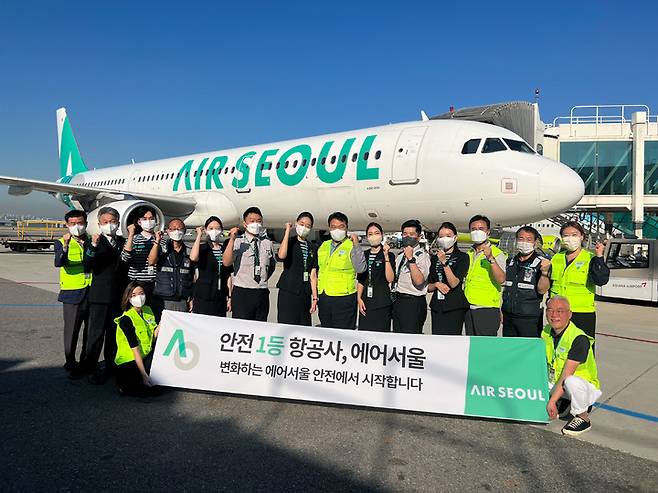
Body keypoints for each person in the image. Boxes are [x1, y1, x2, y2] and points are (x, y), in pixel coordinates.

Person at [81, 206, 127, 384]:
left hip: (118, 296)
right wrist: (92, 245)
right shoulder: (94, 242)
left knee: (114, 333)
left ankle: (110, 366)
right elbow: (87, 264)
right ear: (99, 224)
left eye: (113, 222)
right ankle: (90, 366)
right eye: (105, 222)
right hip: (99, 296)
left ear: (118, 223)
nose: (110, 225)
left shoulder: (123, 242)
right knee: (95, 334)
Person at [543, 296, 601, 436]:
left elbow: (566, 375)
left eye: (560, 311)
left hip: (582, 388)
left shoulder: (579, 339)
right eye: (550, 310)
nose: (554, 315)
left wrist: (551, 401)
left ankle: (583, 417)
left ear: (570, 314)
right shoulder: (546, 332)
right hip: (559, 383)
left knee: (571, 382)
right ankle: (563, 403)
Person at [549, 221, 610, 339]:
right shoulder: (556, 258)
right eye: (566, 236)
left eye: (574, 235)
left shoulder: (590, 257)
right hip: (558, 312)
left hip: (582, 312)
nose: (570, 239)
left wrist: (599, 256)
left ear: (582, 237)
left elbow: (601, 280)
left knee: (583, 349)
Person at [54, 209, 91, 378]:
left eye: (80, 223)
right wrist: (66, 245)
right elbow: (59, 262)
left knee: (90, 331)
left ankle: (86, 362)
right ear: (67, 225)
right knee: (72, 330)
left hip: (91, 292)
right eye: (73, 224)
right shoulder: (61, 241)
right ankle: (70, 361)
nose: (77, 226)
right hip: (72, 293)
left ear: (86, 223)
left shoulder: (92, 240)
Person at [222, 206, 276, 321]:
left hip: (261, 292)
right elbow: (226, 262)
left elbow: (271, 267)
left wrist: (263, 278)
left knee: (260, 328)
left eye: (258, 221)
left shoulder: (267, 243)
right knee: (242, 328)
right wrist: (232, 239)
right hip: (243, 292)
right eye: (252, 221)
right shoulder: (238, 242)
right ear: (245, 224)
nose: (255, 224)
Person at [317, 212, 367, 329]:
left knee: (343, 334)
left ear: (346, 228)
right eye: (333, 227)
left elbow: (360, 268)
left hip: (344, 298)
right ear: (329, 228)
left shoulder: (351, 245)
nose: (337, 230)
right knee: (326, 332)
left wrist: (356, 244)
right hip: (324, 296)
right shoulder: (324, 245)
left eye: (341, 227)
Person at [501, 226, 550, 338]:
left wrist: (544, 273)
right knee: (510, 350)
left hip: (529, 318)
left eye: (528, 240)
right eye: (521, 239)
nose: (524, 242)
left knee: (528, 351)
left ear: (535, 242)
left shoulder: (541, 263)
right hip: (508, 316)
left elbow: (542, 290)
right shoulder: (511, 261)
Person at [114, 281, 160, 397]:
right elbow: (135, 350)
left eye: (141, 293)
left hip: (145, 356)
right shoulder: (126, 319)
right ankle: (125, 384)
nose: (138, 297)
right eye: (134, 295)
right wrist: (144, 374)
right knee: (146, 391)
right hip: (129, 361)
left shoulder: (148, 310)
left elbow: (152, 337)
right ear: (128, 298)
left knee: (159, 387)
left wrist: (163, 322)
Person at [463, 215, 506, 336]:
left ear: (488, 232)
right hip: (469, 307)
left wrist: (490, 258)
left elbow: (502, 279)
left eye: (481, 229)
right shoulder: (469, 253)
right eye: (473, 229)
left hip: (486, 308)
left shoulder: (497, 254)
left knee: (486, 348)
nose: (477, 232)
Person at [276, 212, 319, 326]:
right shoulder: (290, 242)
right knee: (287, 324)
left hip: (304, 293)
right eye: (302, 224)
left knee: (303, 325)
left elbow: (313, 274)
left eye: (308, 226)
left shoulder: (313, 247)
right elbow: (281, 255)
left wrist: (315, 297)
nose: (304, 228)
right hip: (288, 291)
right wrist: (287, 232)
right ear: (296, 224)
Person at [427, 222, 469, 335]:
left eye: (448, 236)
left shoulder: (463, 257)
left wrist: (445, 263)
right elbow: (428, 286)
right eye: (441, 236)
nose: (444, 239)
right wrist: (436, 284)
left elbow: (454, 283)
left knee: (451, 341)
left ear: (455, 238)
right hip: (437, 306)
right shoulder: (434, 258)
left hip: (454, 307)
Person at [391, 219, 431, 334]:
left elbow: (419, 281)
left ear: (418, 237)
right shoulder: (400, 255)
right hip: (399, 300)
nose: (408, 237)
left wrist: (411, 259)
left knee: (410, 338)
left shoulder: (422, 256)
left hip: (413, 303)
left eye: (412, 234)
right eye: (405, 234)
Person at [121, 206, 162, 316]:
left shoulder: (160, 240)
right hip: (137, 283)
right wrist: (130, 235)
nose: (148, 221)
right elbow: (125, 258)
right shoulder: (134, 239)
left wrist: (157, 241)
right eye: (144, 219)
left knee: (153, 315)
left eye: (151, 218)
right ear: (139, 222)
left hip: (155, 284)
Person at [189, 216, 233, 317]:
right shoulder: (202, 248)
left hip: (220, 296)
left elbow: (228, 275)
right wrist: (199, 235)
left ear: (221, 230)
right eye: (211, 228)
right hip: (203, 296)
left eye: (217, 228)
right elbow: (193, 257)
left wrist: (230, 297)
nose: (214, 231)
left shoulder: (224, 250)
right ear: (206, 230)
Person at [148, 218, 194, 313]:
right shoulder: (161, 249)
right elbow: (151, 261)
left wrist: (191, 296)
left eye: (180, 229)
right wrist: (157, 241)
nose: (177, 231)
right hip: (163, 299)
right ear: (168, 231)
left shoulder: (189, 251)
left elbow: (192, 276)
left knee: (180, 328)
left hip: (181, 299)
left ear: (184, 231)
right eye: (173, 229)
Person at [357, 222, 395, 332]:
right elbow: (361, 279)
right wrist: (359, 298)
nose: (373, 236)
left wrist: (386, 256)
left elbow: (390, 279)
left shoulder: (389, 254)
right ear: (367, 237)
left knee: (381, 333)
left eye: (376, 233)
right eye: (370, 234)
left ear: (382, 235)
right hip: (366, 301)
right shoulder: (364, 254)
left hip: (382, 301)